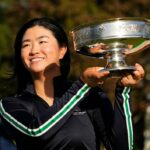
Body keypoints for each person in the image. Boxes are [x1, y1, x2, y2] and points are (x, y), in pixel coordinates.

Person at [0, 17, 145, 150]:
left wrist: (123, 92)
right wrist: (82, 85)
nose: (34, 50)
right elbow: (36, 132)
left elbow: (122, 148)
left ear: (62, 50)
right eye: (26, 45)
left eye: (42, 42)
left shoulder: (91, 96)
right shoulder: (10, 105)